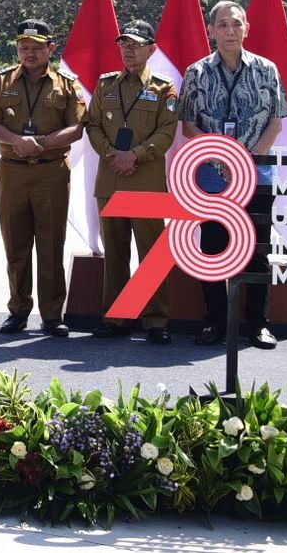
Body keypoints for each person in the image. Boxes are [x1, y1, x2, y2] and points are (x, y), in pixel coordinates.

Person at [178, 0, 287, 349]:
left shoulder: (267, 70)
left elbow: (276, 121)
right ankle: (214, 321)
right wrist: (221, 156)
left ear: (247, 29)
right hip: (212, 175)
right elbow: (187, 126)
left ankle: (258, 323)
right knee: (212, 249)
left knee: (257, 249)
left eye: (237, 24)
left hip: (257, 174)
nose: (231, 31)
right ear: (211, 30)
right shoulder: (196, 73)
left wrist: (246, 161)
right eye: (223, 25)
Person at [0, 19, 84, 337]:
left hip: (50, 172)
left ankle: (52, 315)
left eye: (36, 47)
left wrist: (40, 143)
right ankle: (18, 310)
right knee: (15, 243)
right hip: (12, 171)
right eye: (23, 47)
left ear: (50, 48)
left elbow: (77, 128)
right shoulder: (3, 82)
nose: (29, 53)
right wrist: (17, 141)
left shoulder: (67, 84)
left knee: (51, 244)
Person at [82, 19, 179, 344]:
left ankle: (155, 320)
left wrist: (134, 154)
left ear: (151, 49)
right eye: (124, 43)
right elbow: (92, 124)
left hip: (146, 181)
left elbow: (167, 130)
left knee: (151, 254)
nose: (128, 49)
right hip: (111, 180)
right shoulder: (106, 84)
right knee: (116, 252)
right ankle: (118, 317)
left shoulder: (164, 88)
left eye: (136, 44)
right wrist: (111, 153)